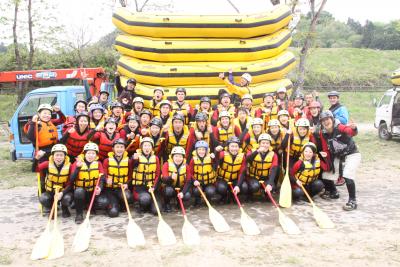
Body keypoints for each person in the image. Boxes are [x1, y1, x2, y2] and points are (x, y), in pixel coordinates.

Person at [314, 110, 360, 211]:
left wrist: (354, 128)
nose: (326, 122)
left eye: (328, 119)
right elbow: (326, 147)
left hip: (352, 153)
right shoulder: (323, 133)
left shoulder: (339, 127)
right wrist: (327, 159)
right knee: (326, 173)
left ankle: (353, 200)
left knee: (348, 175)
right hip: (338, 156)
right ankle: (334, 192)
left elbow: (350, 131)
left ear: (332, 119)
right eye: (323, 120)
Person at [68, 143, 106, 224]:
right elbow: (71, 179)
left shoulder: (98, 163)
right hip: (81, 191)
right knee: (79, 191)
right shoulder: (77, 163)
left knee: (103, 202)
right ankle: (79, 214)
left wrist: (100, 187)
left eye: (93, 153)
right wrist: (78, 168)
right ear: (85, 153)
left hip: (92, 191)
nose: (90, 155)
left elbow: (102, 178)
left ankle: (89, 206)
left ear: (96, 155)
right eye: (88, 153)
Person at [34, 144, 73, 217]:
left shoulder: (69, 166)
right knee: (44, 198)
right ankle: (53, 208)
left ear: (65, 156)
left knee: (67, 198)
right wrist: (36, 159)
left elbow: (70, 183)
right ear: (53, 156)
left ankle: (64, 208)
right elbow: (35, 169)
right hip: (50, 191)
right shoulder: (47, 164)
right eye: (57, 155)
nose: (59, 157)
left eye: (61, 155)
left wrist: (62, 193)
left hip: (63, 191)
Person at [102, 139, 134, 217]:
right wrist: (106, 179)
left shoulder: (128, 161)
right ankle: (113, 204)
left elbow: (130, 176)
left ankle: (121, 204)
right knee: (113, 213)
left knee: (128, 196)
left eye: (121, 147)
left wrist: (126, 184)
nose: (119, 149)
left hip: (121, 188)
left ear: (124, 149)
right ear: (113, 149)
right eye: (117, 147)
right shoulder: (107, 161)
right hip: (110, 189)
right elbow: (103, 175)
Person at [132, 137, 161, 214]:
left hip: (151, 188)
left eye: (149, 146)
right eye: (145, 146)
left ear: (152, 148)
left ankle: (149, 206)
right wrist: (134, 160)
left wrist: (154, 187)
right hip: (140, 188)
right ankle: (141, 205)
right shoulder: (136, 156)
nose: (147, 148)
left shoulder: (156, 158)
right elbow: (133, 166)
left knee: (156, 211)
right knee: (145, 199)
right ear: (141, 147)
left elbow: (158, 175)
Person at [215, 137, 247, 203]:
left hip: (235, 179)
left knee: (244, 187)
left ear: (239, 147)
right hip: (223, 179)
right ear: (228, 147)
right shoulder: (222, 154)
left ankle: (233, 195)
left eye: (236, 146)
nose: (234, 149)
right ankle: (224, 196)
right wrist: (216, 151)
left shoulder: (242, 156)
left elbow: (242, 172)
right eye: (232, 146)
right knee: (221, 188)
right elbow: (216, 159)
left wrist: (238, 186)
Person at [246, 134, 279, 200]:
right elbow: (248, 159)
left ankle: (265, 192)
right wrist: (257, 151)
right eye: (263, 143)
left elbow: (274, 169)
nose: (265, 145)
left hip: (265, 177)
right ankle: (252, 193)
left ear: (270, 144)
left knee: (272, 188)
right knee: (254, 187)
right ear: (259, 143)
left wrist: (270, 184)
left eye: (267, 143)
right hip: (254, 177)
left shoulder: (273, 154)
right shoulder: (252, 151)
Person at [161, 146, 191, 212]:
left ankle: (179, 202)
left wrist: (183, 193)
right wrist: (170, 178)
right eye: (176, 156)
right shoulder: (166, 164)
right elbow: (164, 179)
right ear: (172, 157)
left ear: (183, 158)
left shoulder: (186, 166)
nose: (178, 158)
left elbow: (188, 181)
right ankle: (167, 204)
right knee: (168, 191)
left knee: (187, 195)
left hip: (180, 189)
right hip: (170, 188)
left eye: (180, 156)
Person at [188, 141, 217, 206]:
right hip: (198, 182)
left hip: (209, 182)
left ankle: (208, 199)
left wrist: (214, 158)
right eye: (199, 149)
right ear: (196, 150)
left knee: (210, 191)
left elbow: (216, 166)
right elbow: (190, 173)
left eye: (203, 149)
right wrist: (194, 180)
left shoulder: (210, 158)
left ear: (206, 150)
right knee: (196, 191)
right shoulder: (193, 159)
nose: (201, 151)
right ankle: (197, 200)